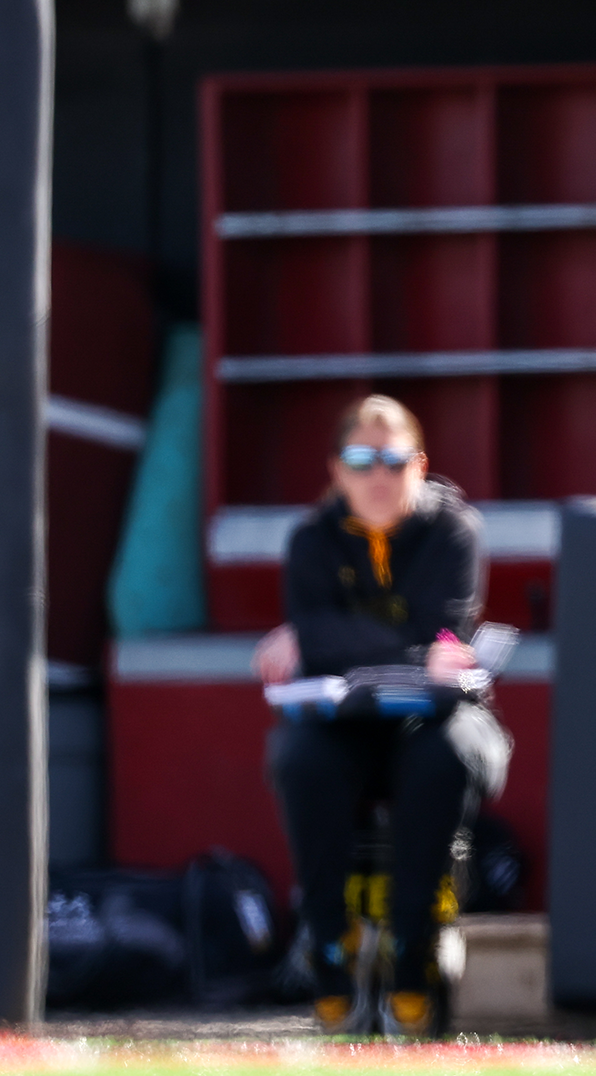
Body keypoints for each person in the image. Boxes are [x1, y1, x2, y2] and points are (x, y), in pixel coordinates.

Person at [252, 395, 497, 1038]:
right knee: (299, 758)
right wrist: (403, 646)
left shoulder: (453, 532)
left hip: (431, 720)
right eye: (361, 460)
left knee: (446, 755)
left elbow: (444, 636)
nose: (378, 476)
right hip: (344, 724)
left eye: (393, 460)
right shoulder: (311, 540)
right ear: (337, 470)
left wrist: (324, 637)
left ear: (420, 465)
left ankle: (413, 951)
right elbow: (417, 642)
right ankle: (330, 947)